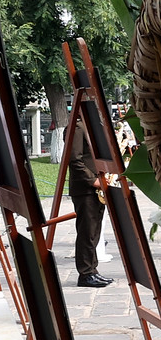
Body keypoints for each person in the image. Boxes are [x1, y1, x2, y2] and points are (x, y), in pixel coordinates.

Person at [69, 117, 114, 287]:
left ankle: (92, 270)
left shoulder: (93, 125)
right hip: (86, 189)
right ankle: (86, 273)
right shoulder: (78, 127)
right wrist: (92, 180)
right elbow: (74, 159)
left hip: (97, 187)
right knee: (87, 232)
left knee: (94, 231)